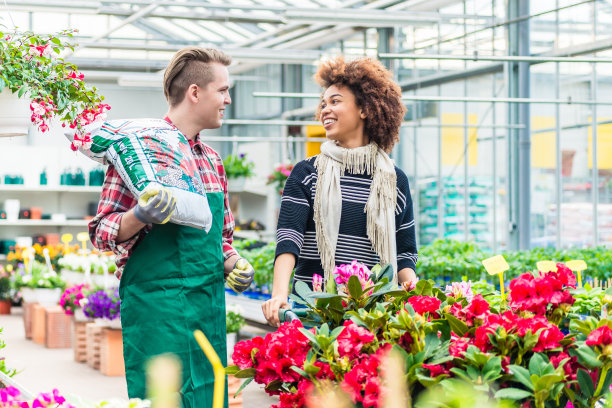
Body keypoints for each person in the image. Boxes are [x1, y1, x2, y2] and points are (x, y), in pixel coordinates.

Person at [89, 47, 255, 407]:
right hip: (156, 308)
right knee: (164, 397)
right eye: (222, 90)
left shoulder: (211, 161)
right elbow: (101, 232)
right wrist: (140, 216)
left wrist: (234, 264)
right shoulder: (141, 152)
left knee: (207, 395)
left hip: (206, 307)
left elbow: (222, 239)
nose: (228, 99)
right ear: (195, 93)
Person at [262, 56, 418, 326]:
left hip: (374, 314)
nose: (324, 110)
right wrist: (279, 295)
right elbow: (289, 240)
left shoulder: (394, 180)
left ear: (365, 109)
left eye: (335, 101)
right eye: (323, 104)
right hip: (313, 310)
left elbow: (405, 254)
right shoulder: (307, 173)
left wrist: (419, 300)